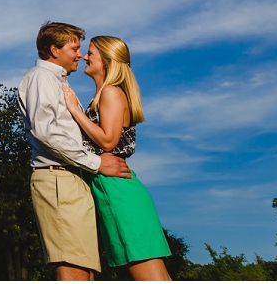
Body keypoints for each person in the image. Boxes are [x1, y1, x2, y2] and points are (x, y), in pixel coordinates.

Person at [18, 22, 133, 281]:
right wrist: (96, 162)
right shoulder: (41, 78)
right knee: (73, 270)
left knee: (85, 271)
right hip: (59, 179)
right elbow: (46, 132)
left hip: (72, 179)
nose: (80, 54)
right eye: (75, 48)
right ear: (54, 50)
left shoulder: (57, 82)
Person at [62, 36, 172, 280]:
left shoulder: (111, 93)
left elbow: (108, 140)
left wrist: (74, 111)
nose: (83, 57)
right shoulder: (103, 96)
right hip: (112, 189)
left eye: (91, 53)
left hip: (120, 193)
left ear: (107, 61)